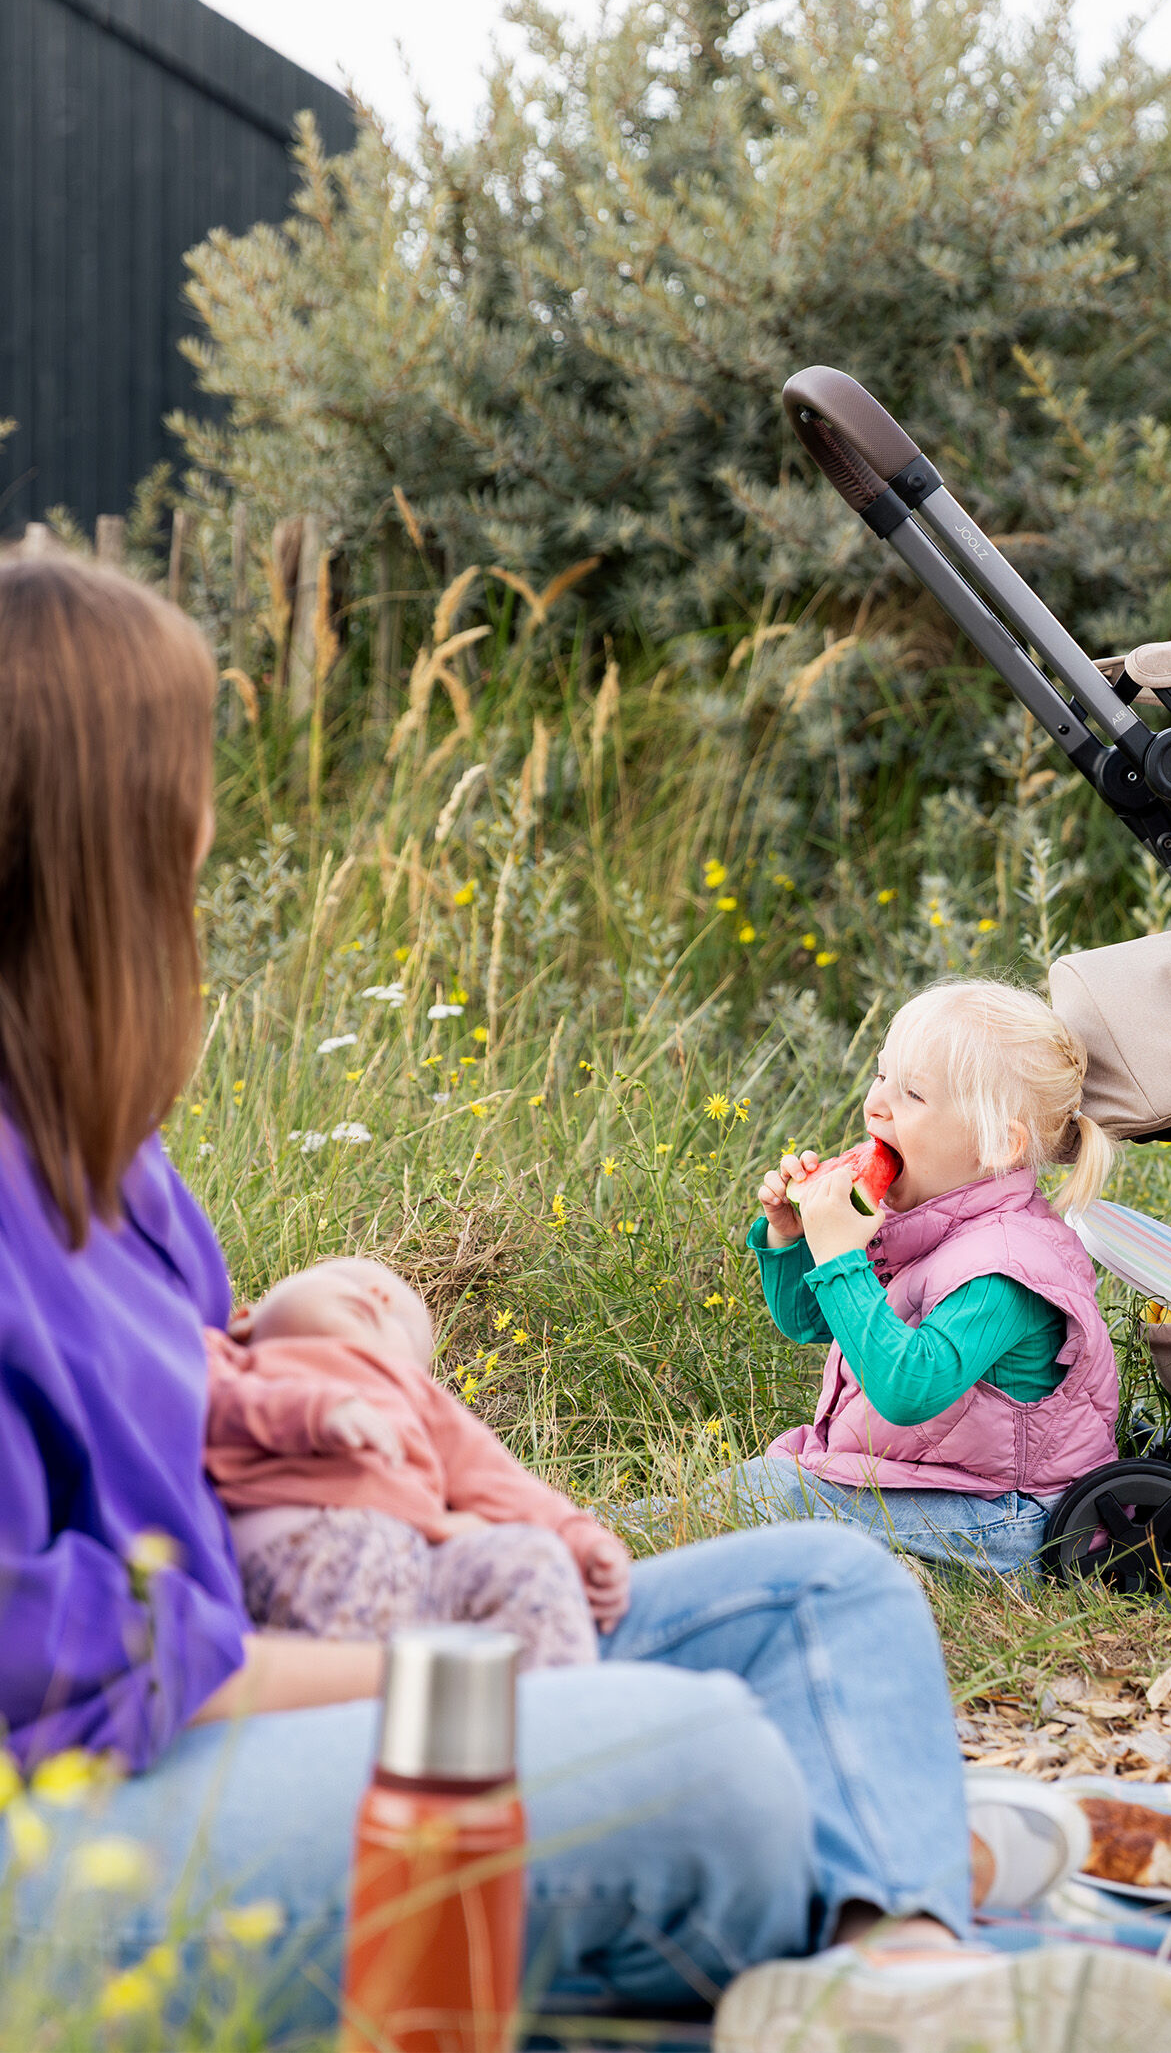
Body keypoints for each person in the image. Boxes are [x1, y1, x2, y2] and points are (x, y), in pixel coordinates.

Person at [0, 555, 1109, 2047]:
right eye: (193, 791)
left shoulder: (108, 1158)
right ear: (105, 841)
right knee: (705, 1756)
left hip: (264, 1672)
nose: (213, 830)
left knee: (827, 1594)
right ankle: (871, 1862)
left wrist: (358, 1372)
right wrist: (441, 1671)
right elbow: (50, 1652)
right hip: (78, 1817)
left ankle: (891, 1950)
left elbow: (224, 1439)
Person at [729, 981, 1120, 1574]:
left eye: (911, 1093)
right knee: (769, 1486)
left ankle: (607, 1543)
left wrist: (840, 1260)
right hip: (935, 1482)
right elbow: (809, 1320)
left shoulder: (1010, 1266)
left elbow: (909, 1391)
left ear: (996, 1143)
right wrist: (793, 1235)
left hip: (1009, 1518)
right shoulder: (926, 1220)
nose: (876, 1105)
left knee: (776, 1499)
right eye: (881, 1076)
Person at [204, 1255, 630, 1666]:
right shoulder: (227, 1356)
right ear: (246, 1318)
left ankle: (558, 1705)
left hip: (416, 1569)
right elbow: (200, 1400)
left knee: (536, 1557)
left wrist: (580, 1539)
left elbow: (500, 1481)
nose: (378, 1295)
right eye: (347, 1281)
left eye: (402, 1326)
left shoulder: (412, 1396)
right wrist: (312, 1410)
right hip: (297, 1551)